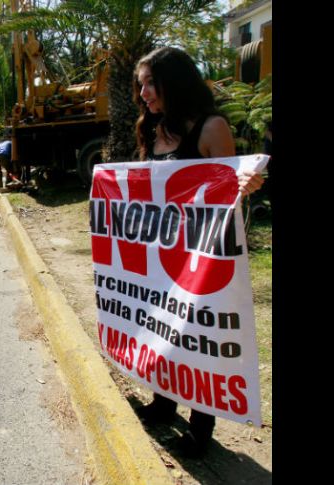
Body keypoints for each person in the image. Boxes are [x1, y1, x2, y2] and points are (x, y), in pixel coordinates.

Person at [132, 46, 264, 457]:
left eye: (151, 83)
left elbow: (228, 195)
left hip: (201, 261)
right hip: (161, 258)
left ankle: (201, 425)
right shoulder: (153, 130)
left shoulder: (211, 128)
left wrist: (244, 186)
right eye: (141, 85)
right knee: (163, 330)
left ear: (175, 81)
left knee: (197, 338)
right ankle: (163, 401)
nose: (144, 94)